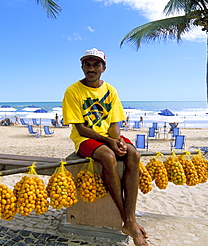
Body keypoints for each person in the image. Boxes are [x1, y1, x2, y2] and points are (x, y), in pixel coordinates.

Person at [62, 48, 148, 246]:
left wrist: (117, 140)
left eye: (96, 64)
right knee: (109, 157)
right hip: (85, 139)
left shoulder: (110, 90)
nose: (91, 68)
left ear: (104, 67)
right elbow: (81, 128)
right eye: (87, 64)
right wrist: (109, 143)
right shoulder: (73, 91)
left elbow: (114, 123)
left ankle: (131, 218)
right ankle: (127, 220)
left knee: (133, 153)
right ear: (82, 67)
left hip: (108, 137)